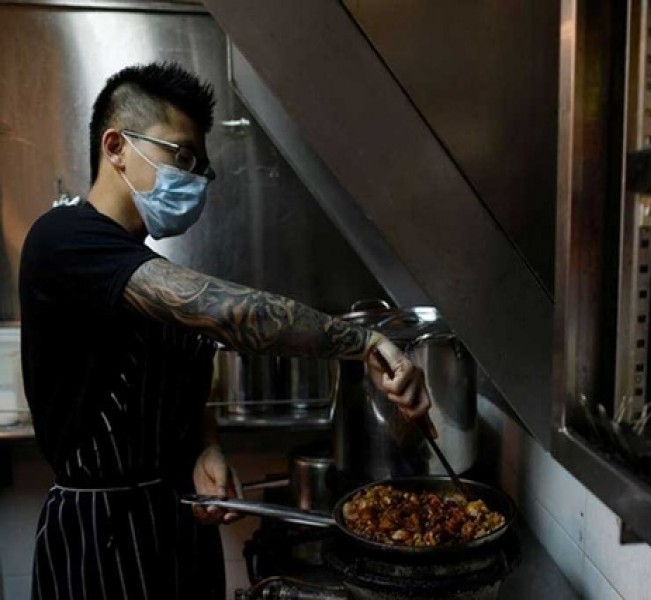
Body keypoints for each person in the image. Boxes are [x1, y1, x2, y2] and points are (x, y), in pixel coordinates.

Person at [19, 62, 431, 600]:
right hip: (103, 536)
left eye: (202, 169)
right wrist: (365, 340)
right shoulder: (65, 242)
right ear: (116, 146)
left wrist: (205, 448)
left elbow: (186, 374)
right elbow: (227, 313)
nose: (194, 180)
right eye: (182, 157)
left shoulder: (136, 261)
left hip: (178, 523)